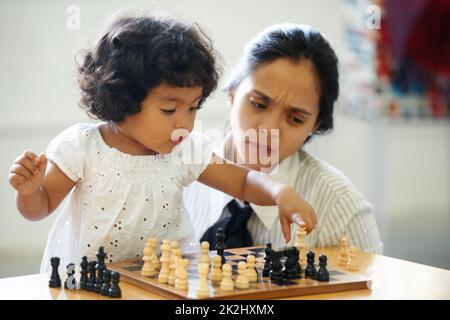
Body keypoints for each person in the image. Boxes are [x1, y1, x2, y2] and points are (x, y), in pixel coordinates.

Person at [8, 13, 316, 273]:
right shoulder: (84, 147)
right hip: (91, 284)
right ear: (123, 100)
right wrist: (29, 190)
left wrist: (279, 192)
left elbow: (242, 181)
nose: (184, 122)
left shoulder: (184, 148)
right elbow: (40, 207)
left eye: (193, 107)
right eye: (169, 109)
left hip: (164, 279)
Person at [184, 23, 383, 253]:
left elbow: (377, 288)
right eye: (258, 104)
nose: (269, 129)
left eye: (295, 119)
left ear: (315, 125)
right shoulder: (177, 175)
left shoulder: (342, 209)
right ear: (231, 92)